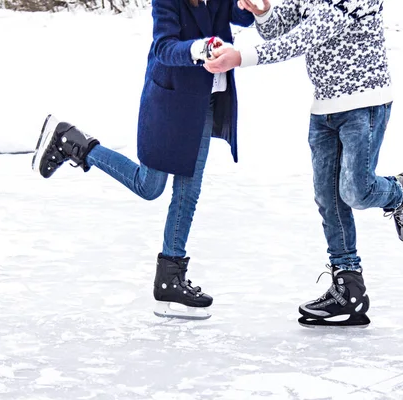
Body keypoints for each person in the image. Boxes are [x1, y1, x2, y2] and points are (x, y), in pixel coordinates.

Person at [31, 0, 254, 320]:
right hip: (169, 101)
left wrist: (257, 7)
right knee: (149, 186)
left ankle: (170, 281)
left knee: (188, 191)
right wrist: (200, 48)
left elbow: (241, 16)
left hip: (204, 102)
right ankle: (75, 143)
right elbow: (164, 47)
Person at [204, 0, 403, 327]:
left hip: (365, 102)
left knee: (356, 192)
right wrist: (263, 13)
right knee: (328, 199)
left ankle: (400, 191)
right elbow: (280, 29)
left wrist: (242, 57)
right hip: (324, 109)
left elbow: (307, 35)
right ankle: (348, 286)